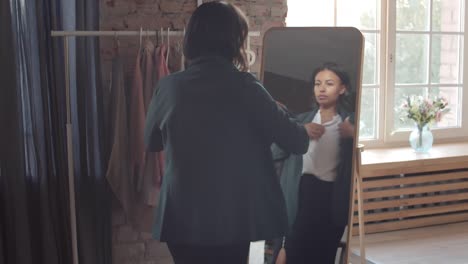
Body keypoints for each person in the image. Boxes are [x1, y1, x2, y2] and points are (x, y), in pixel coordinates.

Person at [144, 2, 319, 263]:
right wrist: (278, 112)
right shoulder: (248, 88)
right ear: (235, 40)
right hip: (231, 218)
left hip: (180, 218)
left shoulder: (168, 87)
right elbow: (297, 141)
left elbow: (152, 142)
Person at [271, 62, 356, 264]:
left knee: (322, 256)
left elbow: (357, 165)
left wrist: (352, 137)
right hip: (301, 195)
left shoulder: (349, 124)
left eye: (329, 83)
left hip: (331, 199)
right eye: (318, 83)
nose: (322, 89)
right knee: (290, 254)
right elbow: (274, 153)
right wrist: (300, 132)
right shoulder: (300, 121)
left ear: (342, 89)